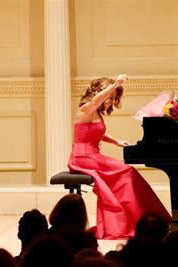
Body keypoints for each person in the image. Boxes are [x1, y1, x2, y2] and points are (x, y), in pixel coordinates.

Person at [68, 74, 171, 240]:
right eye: (110, 97)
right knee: (126, 172)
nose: (110, 102)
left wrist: (116, 141)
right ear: (99, 93)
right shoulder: (86, 108)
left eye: (113, 99)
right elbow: (96, 101)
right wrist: (115, 83)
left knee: (128, 172)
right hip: (82, 157)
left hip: (92, 156)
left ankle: (142, 219)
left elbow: (97, 132)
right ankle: (131, 222)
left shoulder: (96, 114)